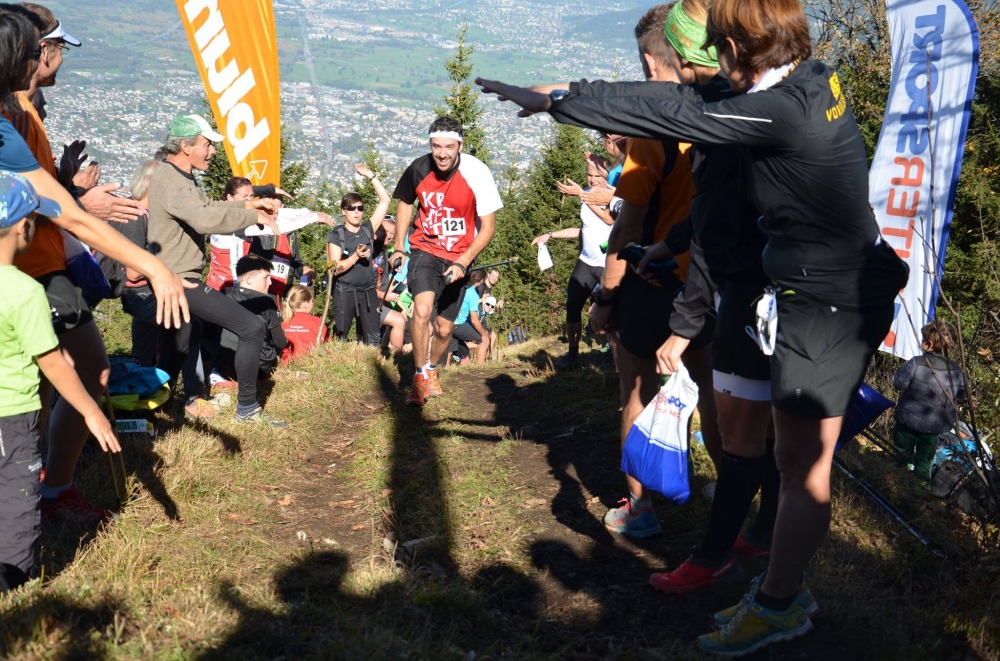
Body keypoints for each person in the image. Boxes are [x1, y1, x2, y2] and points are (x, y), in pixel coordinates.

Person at [477, 0, 910, 652]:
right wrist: (565, 94)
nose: (706, 64)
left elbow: (676, 113)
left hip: (828, 302)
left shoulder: (777, 110)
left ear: (734, 49)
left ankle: (780, 603)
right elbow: (683, 105)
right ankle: (780, 583)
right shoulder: (808, 79)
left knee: (802, 466)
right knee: (789, 457)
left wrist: (562, 103)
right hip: (820, 289)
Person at [609, 0, 781, 596]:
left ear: (653, 62)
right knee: (714, 393)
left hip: (658, 281)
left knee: (635, 387)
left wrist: (608, 293)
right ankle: (735, 500)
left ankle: (640, 507)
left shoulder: (654, 127)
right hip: (715, 285)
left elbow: (631, 221)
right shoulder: (727, 113)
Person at [0, 9, 190, 524]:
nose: (48, 59)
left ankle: (46, 487)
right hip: (31, 265)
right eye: (43, 49)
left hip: (45, 262)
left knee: (75, 373)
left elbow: (45, 196)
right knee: (43, 380)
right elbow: (62, 211)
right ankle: (35, 489)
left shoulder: (16, 116)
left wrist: (69, 190)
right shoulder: (14, 116)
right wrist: (152, 265)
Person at [0, 171, 118, 593]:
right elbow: (52, 363)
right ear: (25, 227)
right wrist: (91, 412)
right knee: (17, 499)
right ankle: (17, 588)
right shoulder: (25, 291)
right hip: (14, 415)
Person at [146, 112, 287, 427]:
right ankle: (247, 409)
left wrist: (249, 204)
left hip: (174, 278)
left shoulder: (177, 176)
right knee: (251, 328)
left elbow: (207, 207)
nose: (212, 152)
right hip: (179, 281)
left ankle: (152, 411)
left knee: (181, 341)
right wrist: (253, 216)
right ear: (185, 146)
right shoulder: (172, 181)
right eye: (207, 145)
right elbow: (204, 219)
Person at [390, 116, 503, 406]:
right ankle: (418, 377)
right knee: (422, 308)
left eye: (449, 147)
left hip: (459, 257)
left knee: (443, 328)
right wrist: (399, 246)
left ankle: (431, 369)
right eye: (436, 146)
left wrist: (463, 262)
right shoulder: (419, 168)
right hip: (425, 249)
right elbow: (405, 202)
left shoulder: (477, 173)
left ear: (460, 146)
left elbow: (488, 228)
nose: (442, 153)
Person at [3, 2, 143, 223]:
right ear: (43, 51)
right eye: (61, 48)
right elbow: (11, 208)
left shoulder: (26, 113)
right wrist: (81, 204)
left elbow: (31, 195)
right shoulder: (16, 116)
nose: (62, 58)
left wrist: (64, 180)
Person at [532, 157, 614, 369]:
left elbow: (609, 219)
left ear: (608, 176)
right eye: (589, 175)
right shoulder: (585, 194)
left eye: (598, 175)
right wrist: (550, 235)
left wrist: (583, 195)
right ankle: (572, 354)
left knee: (611, 310)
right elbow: (583, 230)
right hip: (586, 262)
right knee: (573, 306)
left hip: (608, 263)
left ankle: (611, 354)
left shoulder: (613, 196)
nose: (593, 179)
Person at [208, 176, 332, 296]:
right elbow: (278, 226)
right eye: (245, 197)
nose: (250, 201)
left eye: (252, 196)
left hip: (225, 283)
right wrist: (313, 217)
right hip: (226, 287)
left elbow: (275, 214)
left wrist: (309, 213)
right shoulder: (234, 221)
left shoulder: (226, 212)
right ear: (230, 197)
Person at [892, 320, 966, 483]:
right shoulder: (956, 371)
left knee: (900, 456)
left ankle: (894, 483)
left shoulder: (917, 362)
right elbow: (961, 395)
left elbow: (899, 383)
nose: (921, 341)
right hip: (935, 427)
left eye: (923, 338)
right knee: (924, 462)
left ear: (930, 344)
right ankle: (921, 488)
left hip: (908, 420)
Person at [326, 164, 390, 344]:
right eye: (351, 208)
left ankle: (372, 361)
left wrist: (370, 175)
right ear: (343, 210)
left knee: (373, 338)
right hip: (344, 292)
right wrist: (355, 256)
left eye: (360, 208)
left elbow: (385, 201)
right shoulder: (337, 235)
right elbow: (334, 268)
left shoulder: (368, 230)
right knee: (341, 338)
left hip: (368, 291)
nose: (356, 212)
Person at [219, 255, 289, 384]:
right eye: (266, 277)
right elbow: (280, 341)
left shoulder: (223, 298)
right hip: (258, 370)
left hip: (226, 370)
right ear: (249, 279)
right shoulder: (266, 301)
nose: (270, 282)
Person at [372, 216, 408, 352]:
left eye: (393, 233)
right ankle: (398, 357)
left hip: (381, 301)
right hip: (369, 302)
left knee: (391, 326)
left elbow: (385, 280)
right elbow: (363, 285)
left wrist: (391, 269)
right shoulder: (372, 252)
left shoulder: (384, 251)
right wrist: (384, 296)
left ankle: (386, 354)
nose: (389, 236)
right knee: (399, 320)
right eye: (386, 231)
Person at [451, 271, 493, 364]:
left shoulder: (461, 287)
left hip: (448, 323)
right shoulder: (473, 294)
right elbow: (474, 320)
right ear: (481, 281)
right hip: (458, 325)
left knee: (466, 357)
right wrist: (484, 334)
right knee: (483, 340)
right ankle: (480, 367)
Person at [280, 284, 328, 362]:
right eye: (311, 301)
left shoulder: (282, 322)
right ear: (305, 303)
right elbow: (327, 345)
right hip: (311, 364)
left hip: (286, 365)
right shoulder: (317, 322)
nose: (312, 304)